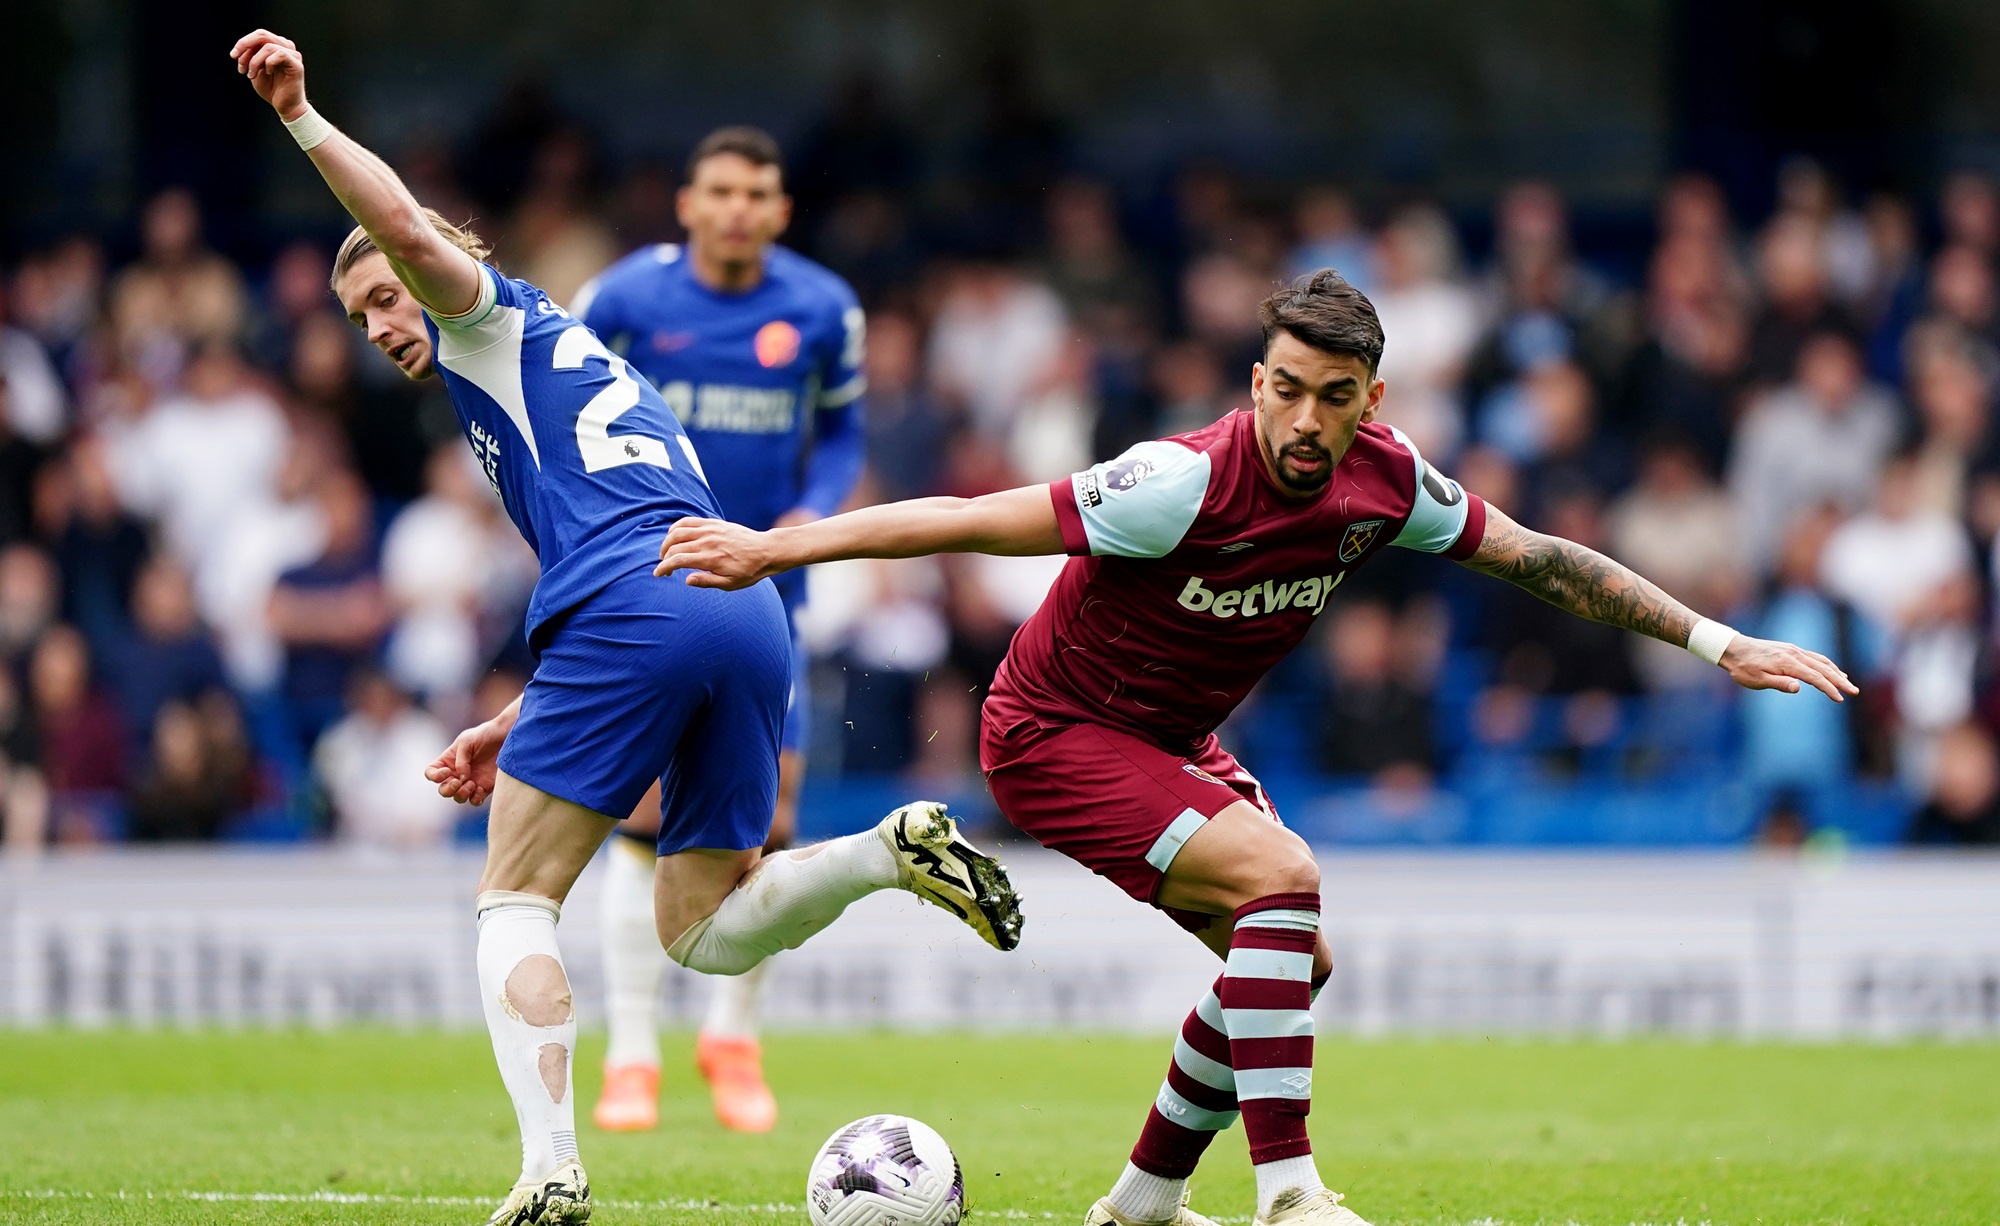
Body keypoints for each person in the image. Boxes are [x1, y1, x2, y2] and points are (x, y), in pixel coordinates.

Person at [657, 269, 1857, 1226]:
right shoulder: (1175, 481)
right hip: (1050, 732)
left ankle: (1140, 1200)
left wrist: (1714, 639)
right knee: (1281, 881)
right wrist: (774, 546)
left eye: (1333, 395)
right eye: (1284, 387)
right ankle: (1289, 1193)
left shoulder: (1388, 486)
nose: (1303, 415)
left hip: (1169, 739)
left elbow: (1541, 557)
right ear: (1256, 380)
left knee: (1293, 957)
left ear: (1368, 402)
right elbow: (973, 516)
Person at [229, 31, 1022, 1226]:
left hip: (643, 603)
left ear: (445, 259)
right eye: (359, 315)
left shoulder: (487, 319)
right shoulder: (573, 360)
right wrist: (516, 714)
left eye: (385, 292)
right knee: (701, 928)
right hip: (735, 602)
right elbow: (629, 541)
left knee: (511, 897)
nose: (381, 319)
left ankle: (550, 1165)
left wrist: (298, 117)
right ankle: (884, 850)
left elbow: (399, 223)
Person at [568, 126, 868, 1134]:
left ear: (779, 211)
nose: (738, 208)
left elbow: (842, 435)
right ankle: (633, 1054)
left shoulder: (822, 308)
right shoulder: (622, 302)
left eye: (758, 194)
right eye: (721, 191)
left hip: (771, 585)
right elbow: (570, 426)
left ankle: (732, 1037)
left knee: (767, 822)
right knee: (644, 820)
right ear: (686, 203)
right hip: (650, 579)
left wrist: (808, 518)